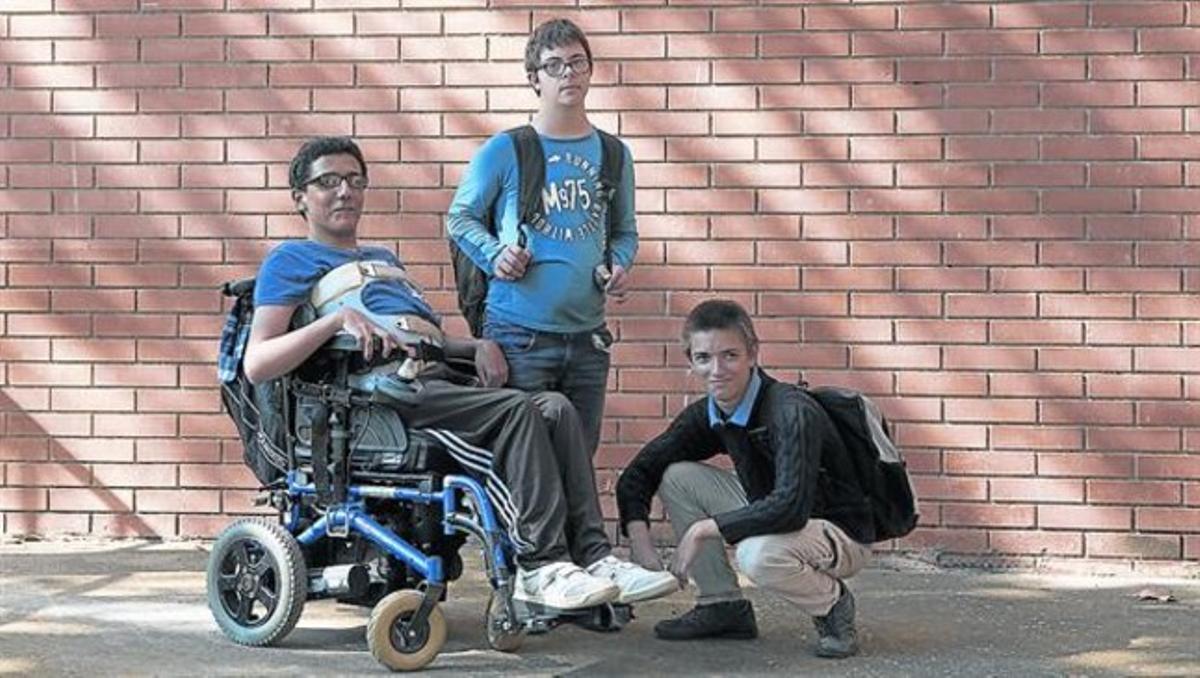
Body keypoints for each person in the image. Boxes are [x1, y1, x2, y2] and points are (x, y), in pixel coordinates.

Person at [243, 136, 676, 612]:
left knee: (554, 409)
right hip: (377, 400)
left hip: (432, 379)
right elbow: (259, 361)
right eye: (328, 181)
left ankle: (593, 557)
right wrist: (334, 321)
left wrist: (475, 345)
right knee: (516, 410)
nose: (344, 191)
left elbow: (416, 335)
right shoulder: (290, 260)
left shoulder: (384, 260)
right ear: (300, 197)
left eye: (354, 180)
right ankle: (540, 566)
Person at [616, 300, 875, 658]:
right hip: (780, 513)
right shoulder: (711, 411)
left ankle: (833, 607)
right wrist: (639, 542)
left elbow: (791, 507)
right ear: (690, 362)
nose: (717, 369)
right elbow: (639, 473)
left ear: (753, 354)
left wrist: (702, 529)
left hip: (840, 531)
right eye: (704, 358)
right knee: (676, 475)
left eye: (730, 355)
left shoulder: (790, 411)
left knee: (756, 556)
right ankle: (721, 606)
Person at [447, 17, 638, 461]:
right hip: (518, 335)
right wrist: (495, 254)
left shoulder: (614, 153)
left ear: (590, 71)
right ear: (535, 79)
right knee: (523, 464)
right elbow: (461, 217)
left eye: (577, 62)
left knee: (577, 460)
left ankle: (572, 535)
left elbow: (625, 231)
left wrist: (619, 264)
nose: (568, 73)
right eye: (554, 66)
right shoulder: (507, 148)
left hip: (588, 336)